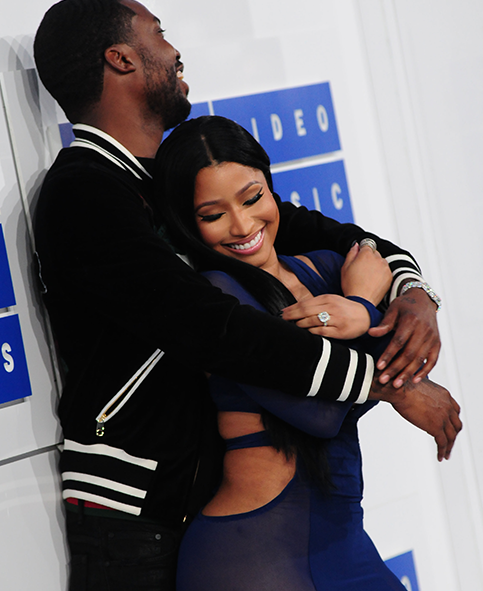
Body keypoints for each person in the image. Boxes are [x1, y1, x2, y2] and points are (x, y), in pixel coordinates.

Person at [32, 1, 460, 589]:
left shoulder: (166, 182)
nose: (174, 51)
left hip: (206, 508)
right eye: (159, 33)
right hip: (134, 518)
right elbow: (215, 330)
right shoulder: (84, 192)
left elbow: (348, 242)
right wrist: (390, 381)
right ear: (121, 59)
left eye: (251, 200)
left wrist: (413, 292)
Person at [152, 115, 460, 590]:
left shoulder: (328, 266)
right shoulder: (217, 296)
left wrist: (411, 301)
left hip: (343, 542)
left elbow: (401, 355)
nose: (242, 225)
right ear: (188, 224)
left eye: (252, 198)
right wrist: (361, 307)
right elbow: (320, 414)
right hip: (251, 557)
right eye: (213, 215)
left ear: (270, 186)